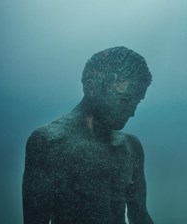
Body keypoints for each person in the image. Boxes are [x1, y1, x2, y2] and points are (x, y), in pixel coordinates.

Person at [22, 46, 154, 224]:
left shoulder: (131, 146)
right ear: (92, 87)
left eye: (137, 102)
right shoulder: (49, 142)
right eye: (124, 100)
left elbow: (140, 217)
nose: (132, 113)